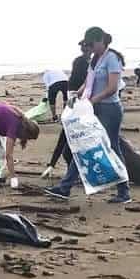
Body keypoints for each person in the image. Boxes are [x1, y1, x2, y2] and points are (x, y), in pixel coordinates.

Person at [45, 26, 132, 204]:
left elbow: (112, 88)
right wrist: (78, 94)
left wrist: (93, 100)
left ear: (101, 40)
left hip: (109, 109)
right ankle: (65, 187)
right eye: (88, 45)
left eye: (92, 44)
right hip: (94, 109)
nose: (90, 48)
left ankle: (124, 191)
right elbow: (88, 81)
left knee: (113, 148)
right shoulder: (96, 59)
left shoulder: (112, 58)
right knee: (84, 146)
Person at [40, 40, 93, 179]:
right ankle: (72, 172)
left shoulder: (88, 63)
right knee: (67, 141)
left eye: (86, 46)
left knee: (71, 142)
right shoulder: (82, 62)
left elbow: (86, 82)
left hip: (80, 102)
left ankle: (76, 173)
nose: (85, 48)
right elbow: (82, 82)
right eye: (84, 46)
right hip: (77, 101)